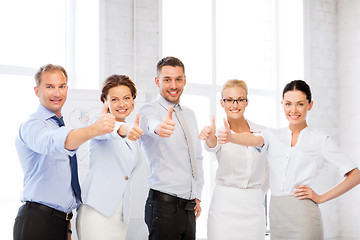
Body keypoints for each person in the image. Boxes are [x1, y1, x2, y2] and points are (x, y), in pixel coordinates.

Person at [217, 80, 360, 240]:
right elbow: (254, 140)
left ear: (310, 105)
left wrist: (321, 197)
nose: (293, 110)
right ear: (282, 104)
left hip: (304, 213)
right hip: (277, 213)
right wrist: (232, 137)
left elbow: (355, 175)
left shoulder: (320, 140)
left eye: (300, 104)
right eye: (288, 104)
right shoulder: (272, 135)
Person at [14, 64, 116, 240]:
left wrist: (66, 225)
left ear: (67, 89)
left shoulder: (59, 125)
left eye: (61, 86)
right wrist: (94, 129)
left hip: (60, 222)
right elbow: (53, 141)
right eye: (49, 87)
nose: (57, 93)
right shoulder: (33, 125)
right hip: (37, 221)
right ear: (37, 91)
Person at [139, 56, 204, 240]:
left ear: (184, 80)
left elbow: (197, 157)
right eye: (167, 80)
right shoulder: (148, 110)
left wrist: (196, 194)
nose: (173, 85)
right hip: (163, 206)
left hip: (189, 208)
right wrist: (160, 128)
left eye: (178, 79)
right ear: (157, 81)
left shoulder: (189, 115)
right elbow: (151, 124)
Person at [76, 74, 143, 240]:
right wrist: (124, 129)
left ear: (133, 100)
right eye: (114, 99)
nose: (121, 104)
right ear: (105, 101)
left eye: (126, 98)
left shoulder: (134, 135)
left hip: (120, 214)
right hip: (96, 213)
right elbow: (110, 130)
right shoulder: (97, 122)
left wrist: (128, 129)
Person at [199, 79, 268, 240]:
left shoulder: (263, 132)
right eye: (229, 100)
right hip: (224, 206)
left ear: (246, 102)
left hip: (254, 207)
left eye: (239, 99)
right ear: (222, 103)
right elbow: (212, 145)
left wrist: (260, 192)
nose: (234, 104)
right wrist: (209, 137)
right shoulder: (219, 134)